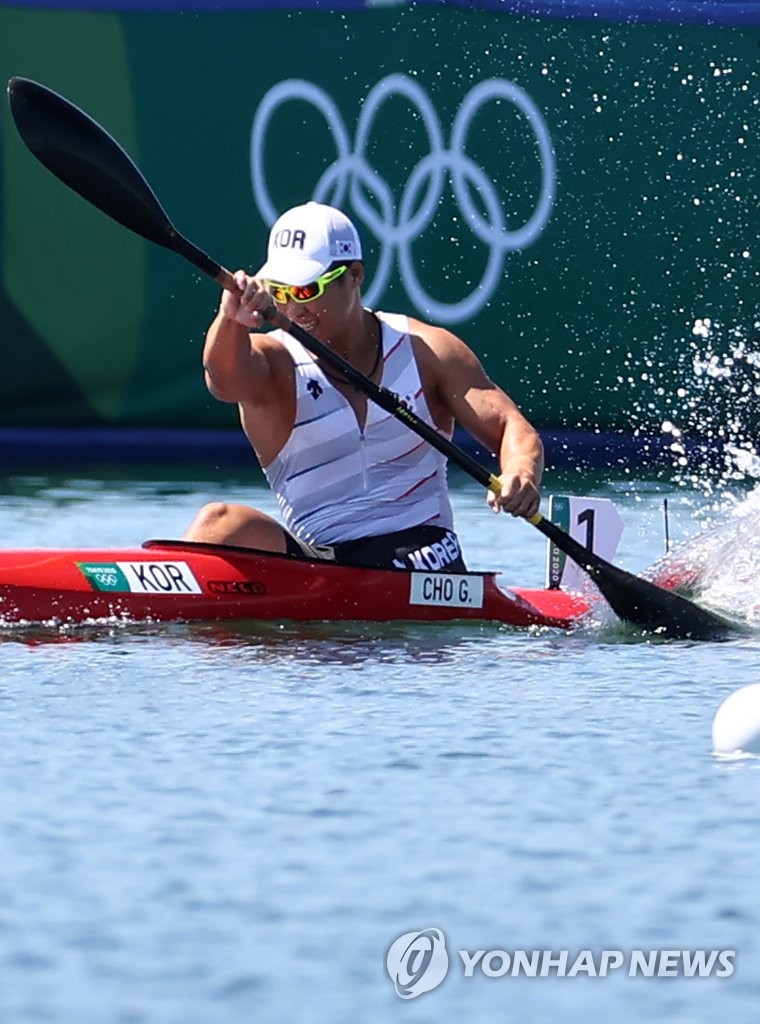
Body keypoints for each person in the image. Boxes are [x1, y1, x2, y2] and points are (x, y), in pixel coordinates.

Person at [182, 201, 543, 571]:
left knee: (394, 559)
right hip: (328, 563)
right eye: (280, 291)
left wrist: (520, 472)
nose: (293, 309)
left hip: (423, 550)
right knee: (218, 524)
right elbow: (223, 382)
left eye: (306, 291)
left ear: (354, 275)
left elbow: (508, 425)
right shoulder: (275, 363)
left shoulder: (427, 351)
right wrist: (231, 320)